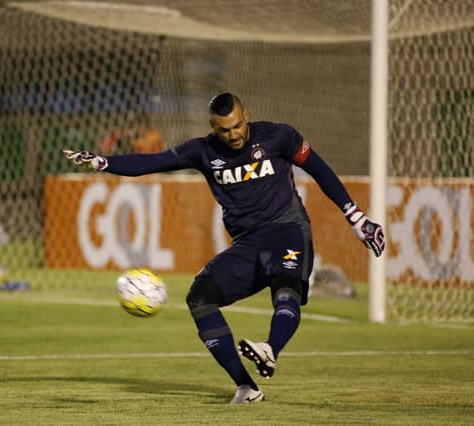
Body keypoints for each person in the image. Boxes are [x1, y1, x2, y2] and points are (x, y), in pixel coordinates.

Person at [64, 93, 385, 404]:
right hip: (247, 244)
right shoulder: (202, 151)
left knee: (285, 290)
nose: (232, 134)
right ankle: (246, 387)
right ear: (213, 126)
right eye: (224, 129)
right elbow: (151, 162)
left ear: (246, 117)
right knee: (200, 298)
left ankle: (270, 349)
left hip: (287, 231)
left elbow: (320, 170)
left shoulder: (279, 136)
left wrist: (356, 218)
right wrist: (104, 162)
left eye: (236, 126)